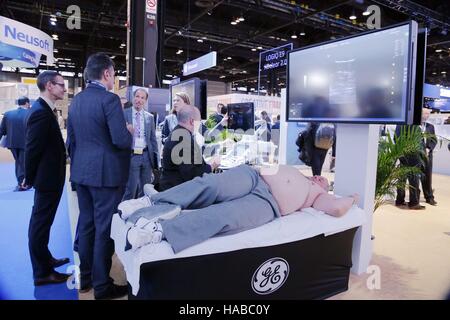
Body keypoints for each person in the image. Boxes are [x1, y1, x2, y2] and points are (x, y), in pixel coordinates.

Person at [122, 165, 359, 253]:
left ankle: (157, 232)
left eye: (323, 180)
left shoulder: (318, 195)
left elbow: (338, 209)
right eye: (319, 177)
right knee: (210, 184)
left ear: (326, 188)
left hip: (268, 204)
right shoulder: (300, 172)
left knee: (224, 216)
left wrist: (353, 197)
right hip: (252, 176)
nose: (319, 177)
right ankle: (148, 203)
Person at [67, 53, 132, 299]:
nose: (113, 79)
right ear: (107, 73)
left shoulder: (76, 101)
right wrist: (129, 131)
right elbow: (120, 140)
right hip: (106, 176)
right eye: (113, 74)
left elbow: (70, 141)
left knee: (86, 226)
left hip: (82, 174)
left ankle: (85, 280)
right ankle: (102, 287)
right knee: (103, 230)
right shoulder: (109, 100)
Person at [23, 71, 71, 286]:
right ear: (49, 86)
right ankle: (42, 273)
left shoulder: (44, 110)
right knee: (40, 225)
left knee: (43, 223)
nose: (65, 89)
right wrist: (29, 177)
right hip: (46, 179)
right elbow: (32, 149)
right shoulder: (41, 112)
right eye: (61, 85)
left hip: (50, 177)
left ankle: (45, 259)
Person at [159, 105, 220, 191]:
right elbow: (191, 174)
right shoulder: (183, 139)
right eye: (199, 122)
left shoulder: (179, 132)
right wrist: (212, 166)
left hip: (173, 186)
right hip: (178, 192)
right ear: (192, 121)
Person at [122, 88, 159, 200]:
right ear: (133, 98)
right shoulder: (124, 114)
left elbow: (153, 139)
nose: (139, 100)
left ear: (145, 101)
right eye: (137, 96)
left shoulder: (149, 117)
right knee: (130, 189)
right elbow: (118, 135)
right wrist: (125, 129)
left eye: (142, 98)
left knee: (146, 189)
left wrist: (155, 161)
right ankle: (124, 213)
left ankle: (141, 214)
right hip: (132, 156)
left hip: (146, 156)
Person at [0, 97, 31, 191]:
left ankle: (21, 182)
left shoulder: (8, 114)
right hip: (27, 142)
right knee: (25, 162)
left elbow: (2, 130)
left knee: (19, 162)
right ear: (27, 103)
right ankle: (24, 183)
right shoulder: (30, 113)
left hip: (12, 143)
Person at [395, 125, 425, 210]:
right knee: (414, 179)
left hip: (402, 154)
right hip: (414, 155)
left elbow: (395, 138)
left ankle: (399, 200)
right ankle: (414, 203)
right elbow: (419, 142)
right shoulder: (414, 126)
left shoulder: (399, 125)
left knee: (401, 177)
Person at [420, 108, 437, 205]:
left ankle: (429, 197)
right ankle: (414, 198)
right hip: (416, 156)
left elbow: (434, 140)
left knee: (428, 176)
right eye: (425, 113)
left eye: (428, 114)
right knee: (414, 177)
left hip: (428, 156)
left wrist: (429, 148)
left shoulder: (431, 127)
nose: (427, 115)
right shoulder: (414, 126)